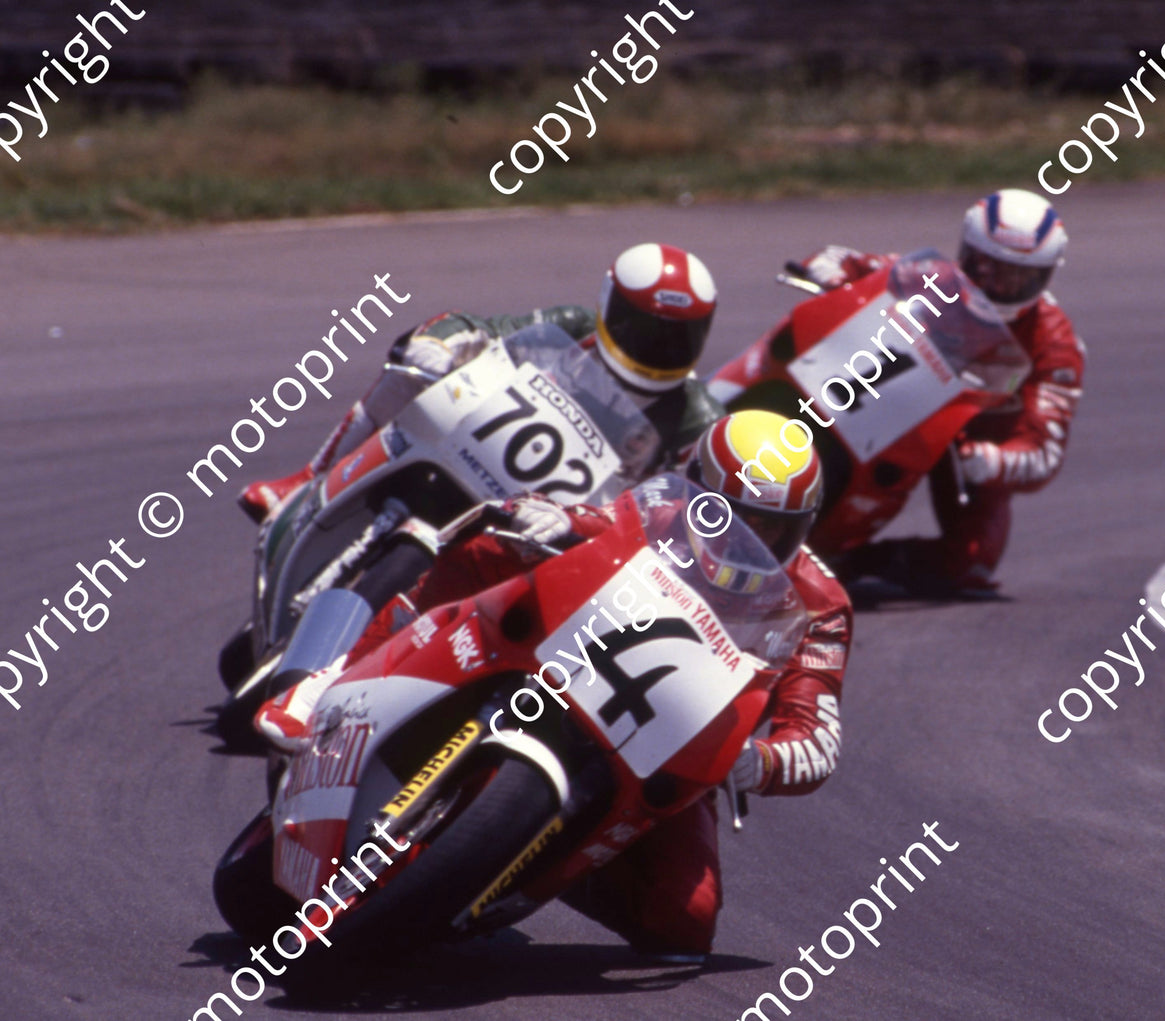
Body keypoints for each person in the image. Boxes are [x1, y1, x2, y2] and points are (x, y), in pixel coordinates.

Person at [339, 409, 851, 957]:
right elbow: (598, 522)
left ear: (804, 524)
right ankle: (345, 684)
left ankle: (522, 862)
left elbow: (816, 738)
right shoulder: (665, 512)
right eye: (734, 518)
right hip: (572, 657)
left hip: (666, 745)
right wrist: (553, 519)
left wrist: (755, 762)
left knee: (684, 922)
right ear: (698, 494)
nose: (750, 540)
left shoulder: (822, 606)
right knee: (487, 547)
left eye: (772, 528)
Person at [239, 242, 727, 522]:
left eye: (677, 337)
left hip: (560, 527)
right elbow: (486, 328)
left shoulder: (696, 417)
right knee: (414, 371)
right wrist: (442, 340)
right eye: (645, 330)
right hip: (480, 451)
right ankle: (307, 484)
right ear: (608, 307)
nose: (658, 348)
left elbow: (695, 511)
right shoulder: (574, 326)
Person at [790, 187, 1085, 594]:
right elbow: (843, 259)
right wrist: (831, 274)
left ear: (1046, 274)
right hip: (876, 389)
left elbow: (1044, 454)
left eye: (1019, 276)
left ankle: (850, 562)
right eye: (988, 267)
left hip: (961, 443)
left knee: (973, 560)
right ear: (967, 253)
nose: (1000, 284)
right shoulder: (933, 277)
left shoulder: (1055, 344)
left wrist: (990, 461)